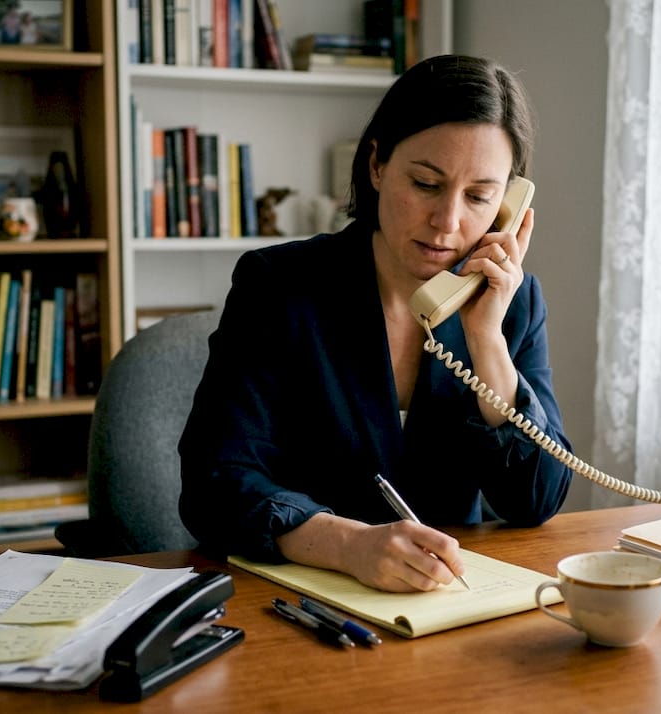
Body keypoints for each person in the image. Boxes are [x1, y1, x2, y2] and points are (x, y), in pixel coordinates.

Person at [178, 54, 573, 593]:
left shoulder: (514, 301)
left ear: (508, 207)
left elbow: (538, 501)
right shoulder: (278, 286)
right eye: (427, 184)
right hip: (300, 599)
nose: (448, 222)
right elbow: (213, 484)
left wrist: (486, 340)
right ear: (377, 165)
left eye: (479, 197)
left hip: (447, 604)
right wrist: (349, 545)